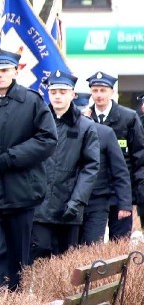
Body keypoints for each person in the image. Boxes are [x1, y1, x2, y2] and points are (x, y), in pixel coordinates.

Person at [0, 48, 57, 291]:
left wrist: (11, 158)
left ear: (15, 71)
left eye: (4, 70)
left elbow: (48, 139)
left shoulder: (32, 101)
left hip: (21, 192)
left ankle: (15, 304)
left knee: (19, 256)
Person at [30, 72, 99, 262]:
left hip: (69, 204)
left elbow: (91, 166)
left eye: (62, 91)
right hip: (39, 204)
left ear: (72, 94)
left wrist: (77, 201)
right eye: (53, 92)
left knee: (66, 259)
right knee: (38, 251)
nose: (58, 96)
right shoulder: (37, 122)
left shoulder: (85, 126)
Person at [87, 71, 144, 240]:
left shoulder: (128, 117)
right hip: (93, 193)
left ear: (112, 92)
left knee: (119, 243)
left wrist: (135, 196)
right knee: (90, 245)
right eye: (95, 90)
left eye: (103, 90)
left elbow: (139, 157)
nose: (99, 95)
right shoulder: (83, 118)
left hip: (120, 193)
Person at [74, 92, 131, 245]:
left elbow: (120, 170)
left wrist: (124, 203)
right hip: (70, 199)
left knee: (92, 247)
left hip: (97, 199)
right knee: (70, 248)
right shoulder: (64, 131)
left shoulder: (105, 133)